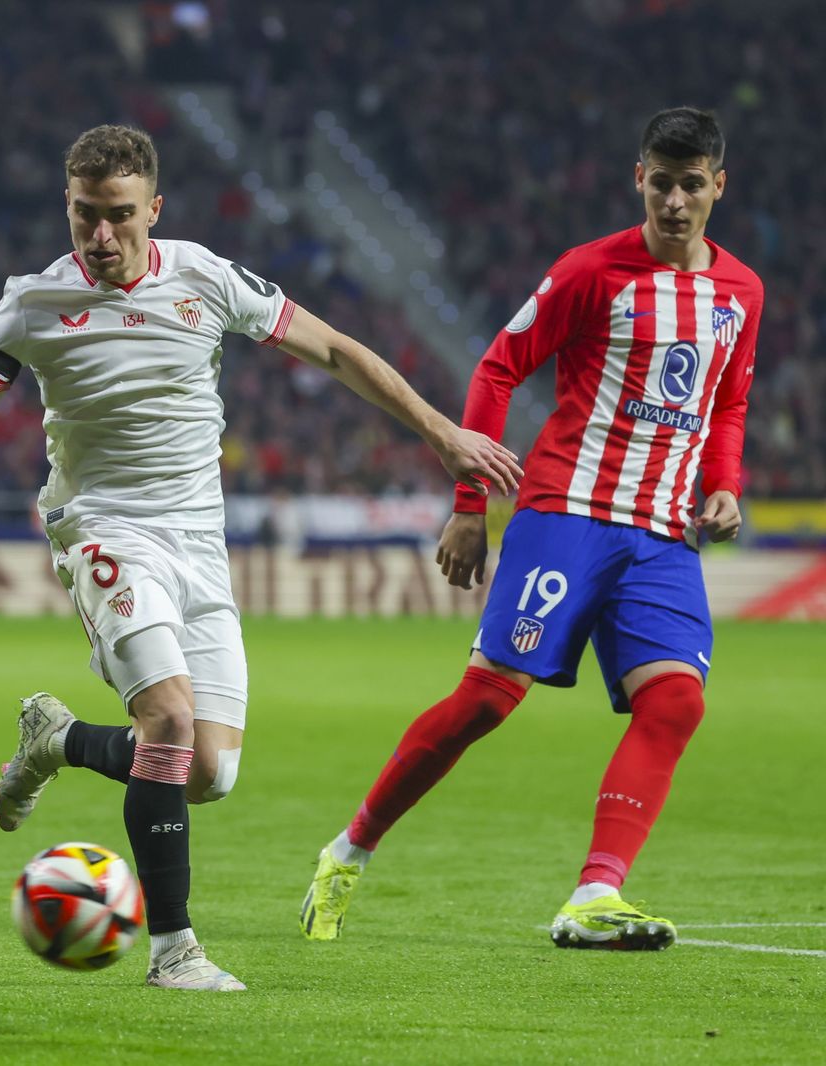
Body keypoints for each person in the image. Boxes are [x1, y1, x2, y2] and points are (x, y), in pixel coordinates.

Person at [0, 125, 521, 990]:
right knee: (172, 722)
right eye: (83, 214)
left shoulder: (208, 278)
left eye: (118, 215)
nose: (100, 235)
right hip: (105, 529)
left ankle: (59, 740)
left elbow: (336, 350)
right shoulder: (34, 302)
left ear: (155, 208)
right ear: (66, 206)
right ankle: (173, 950)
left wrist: (443, 435)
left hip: (199, 542)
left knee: (209, 772)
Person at [300, 107, 763, 950]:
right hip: (567, 513)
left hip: (661, 533)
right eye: (661, 183)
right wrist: (469, 504)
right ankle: (349, 849)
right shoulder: (591, 272)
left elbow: (728, 402)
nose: (674, 202)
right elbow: (498, 367)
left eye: (692, 185)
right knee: (485, 702)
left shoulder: (742, 292)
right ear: (639, 179)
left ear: (718, 186)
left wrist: (725, 485)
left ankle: (595, 894)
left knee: (676, 702)